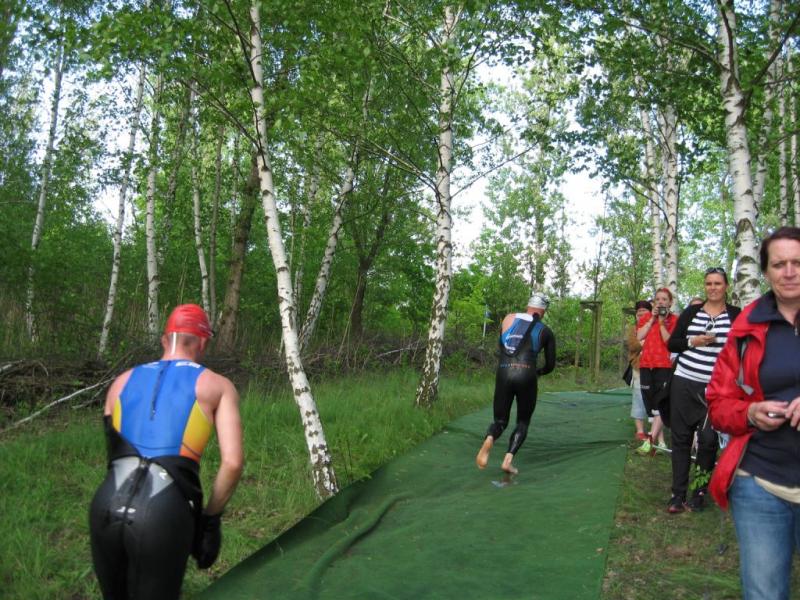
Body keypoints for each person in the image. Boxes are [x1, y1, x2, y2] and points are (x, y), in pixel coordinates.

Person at [89, 304, 244, 600]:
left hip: (106, 502)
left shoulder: (120, 382)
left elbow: (114, 453)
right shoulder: (217, 386)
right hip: (163, 512)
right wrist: (210, 521)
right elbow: (233, 463)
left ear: (164, 339)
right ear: (203, 342)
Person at [707, 227, 800, 600]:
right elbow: (718, 403)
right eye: (779, 264)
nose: (789, 272)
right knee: (764, 593)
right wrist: (749, 412)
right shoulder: (746, 327)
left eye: (797, 263)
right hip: (759, 480)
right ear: (766, 272)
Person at [665, 268, 740, 513]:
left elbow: (745, 348)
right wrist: (693, 342)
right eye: (709, 283)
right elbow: (672, 343)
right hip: (684, 382)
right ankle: (677, 495)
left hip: (715, 389)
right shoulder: (692, 312)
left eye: (717, 283)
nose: (713, 288)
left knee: (708, 441)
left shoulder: (736, 315)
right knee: (681, 438)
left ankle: (698, 493)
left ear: (726, 286)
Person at [476, 292, 556, 474]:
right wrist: (538, 372)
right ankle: (507, 460)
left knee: (500, 420)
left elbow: (503, 344)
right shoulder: (546, 331)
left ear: (528, 306)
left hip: (504, 371)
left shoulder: (508, 318)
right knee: (522, 422)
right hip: (527, 373)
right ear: (543, 310)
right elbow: (550, 365)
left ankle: (490, 438)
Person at [636, 287, 677, 453]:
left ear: (670, 302)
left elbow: (670, 342)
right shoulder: (647, 317)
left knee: (661, 402)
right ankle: (660, 443)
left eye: (664, 299)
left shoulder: (674, 319)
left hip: (664, 366)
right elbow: (639, 336)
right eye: (658, 299)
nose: (660, 302)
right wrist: (652, 318)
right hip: (646, 364)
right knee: (651, 404)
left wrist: (661, 322)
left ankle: (650, 440)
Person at [626, 300, 652, 441]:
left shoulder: (656, 325)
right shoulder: (633, 328)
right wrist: (643, 343)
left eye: (644, 311)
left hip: (655, 367)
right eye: (638, 311)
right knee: (639, 396)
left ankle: (655, 430)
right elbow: (632, 345)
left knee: (655, 397)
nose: (641, 314)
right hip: (639, 367)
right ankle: (640, 431)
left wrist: (644, 343)